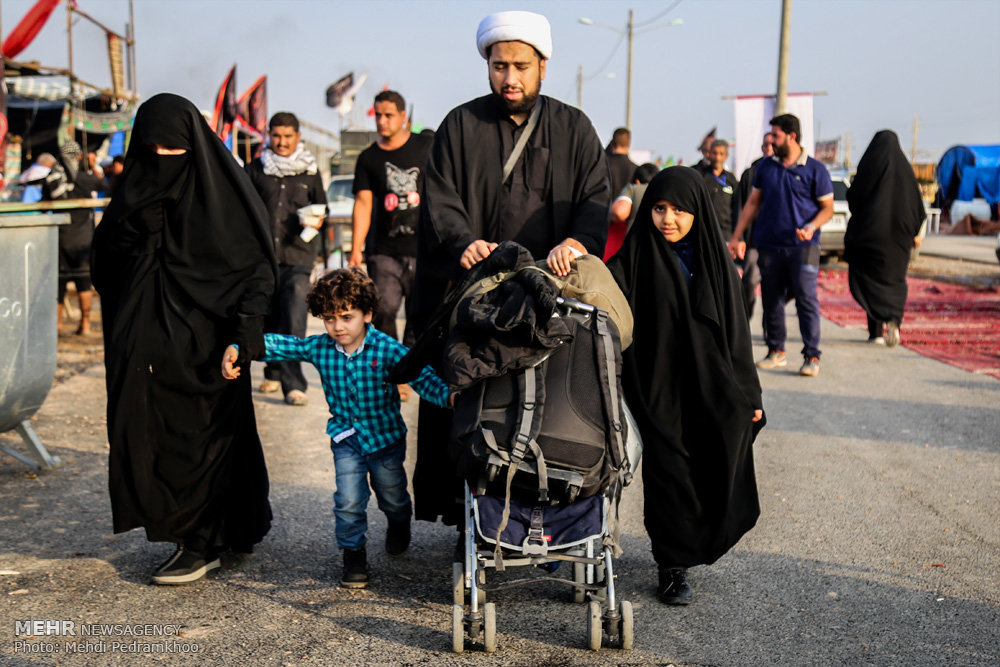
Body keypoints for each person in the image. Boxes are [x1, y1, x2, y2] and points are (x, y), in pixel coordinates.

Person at [410, 10, 611, 525]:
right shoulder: (461, 124)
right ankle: (470, 517)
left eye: (521, 65)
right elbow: (439, 195)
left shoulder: (575, 128)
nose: (510, 77)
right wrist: (462, 242)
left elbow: (594, 197)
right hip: (478, 295)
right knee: (470, 404)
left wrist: (577, 240)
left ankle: (555, 516)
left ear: (544, 64)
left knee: (555, 405)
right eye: (499, 66)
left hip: (549, 294)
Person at [91, 93, 276, 585]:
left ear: (193, 146)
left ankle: (204, 540)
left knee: (209, 440)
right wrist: (129, 233)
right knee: (154, 438)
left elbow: (255, 271)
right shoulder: (132, 198)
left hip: (209, 352)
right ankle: (186, 533)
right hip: (145, 354)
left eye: (171, 150)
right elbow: (102, 269)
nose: (160, 161)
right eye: (149, 149)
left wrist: (244, 336)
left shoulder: (223, 201)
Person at [221, 268, 451, 589]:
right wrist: (240, 347)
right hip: (346, 439)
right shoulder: (321, 348)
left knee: (392, 495)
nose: (338, 327)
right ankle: (353, 554)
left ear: (367, 314)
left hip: (385, 440)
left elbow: (422, 377)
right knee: (348, 500)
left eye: (346, 317)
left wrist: (451, 396)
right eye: (329, 318)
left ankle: (399, 521)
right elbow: (283, 345)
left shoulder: (388, 349)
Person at [607, 166, 764, 605]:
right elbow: (600, 290)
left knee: (711, 462)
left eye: (679, 210)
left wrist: (749, 394)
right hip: (656, 386)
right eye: (659, 208)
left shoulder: (714, 262)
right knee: (669, 470)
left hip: (711, 385)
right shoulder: (634, 257)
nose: (668, 219)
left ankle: (696, 542)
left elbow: (736, 336)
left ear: (697, 211)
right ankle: (671, 566)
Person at [728, 113, 833, 377]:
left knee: (806, 299)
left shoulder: (815, 169)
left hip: (803, 248)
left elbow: (827, 208)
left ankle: (811, 356)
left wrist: (811, 226)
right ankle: (777, 351)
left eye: (775, 135)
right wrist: (737, 236)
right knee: (772, 299)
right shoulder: (766, 167)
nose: (771, 140)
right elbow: (753, 202)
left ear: (791, 136)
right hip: (769, 246)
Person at [350, 90, 433, 400]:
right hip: (383, 250)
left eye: (389, 115)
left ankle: (412, 368)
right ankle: (396, 372)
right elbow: (363, 203)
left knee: (420, 313)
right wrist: (356, 248)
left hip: (423, 249)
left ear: (403, 117)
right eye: (378, 115)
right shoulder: (369, 158)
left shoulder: (426, 148)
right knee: (384, 309)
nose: (382, 121)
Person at [246, 112, 327, 406]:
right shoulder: (256, 169)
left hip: (298, 257)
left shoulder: (310, 170)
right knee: (266, 316)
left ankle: (294, 385)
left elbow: (323, 208)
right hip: (261, 258)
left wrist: (317, 222)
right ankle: (273, 369)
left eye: (287, 136)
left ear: (298, 136)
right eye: (276, 136)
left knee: (293, 319)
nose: (282, 142)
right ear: (269, 135)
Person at [845, 130, 926, 347]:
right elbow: (919, 210)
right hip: (899, 241)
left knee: (871, 281)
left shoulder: (870, 167)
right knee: (894, 282)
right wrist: (913, 233)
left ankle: (876, 333)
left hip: (870, 236)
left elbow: (854, 198)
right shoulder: (906, 174)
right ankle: (894, 321)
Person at [43, 141, 106, 335]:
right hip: (83, 239)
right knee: (83, 283)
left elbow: (44, 200)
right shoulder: (85, 179)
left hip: (60, 237)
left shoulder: (53, 179)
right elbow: (104, 184)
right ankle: (85, 324)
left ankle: (58, 325)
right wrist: (93, 165)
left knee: (59, 284)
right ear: (79, 157)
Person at [735, 133, 775, 320]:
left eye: (772, 144)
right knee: (749, 282)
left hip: (778, 242)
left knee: (775, 289)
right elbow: (740, 207)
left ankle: (772, 331)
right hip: (754, 241)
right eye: (765, 144)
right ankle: (745, 320)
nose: (768, 147)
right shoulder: (751, 173)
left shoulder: (785, 171)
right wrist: (739, 238)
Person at [604, 162, 659, 260]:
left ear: (637, 181)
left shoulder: (633, 188)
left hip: (635, 246)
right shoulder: (662, 190)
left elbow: (619, 213)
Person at [701, 139, 739, 240]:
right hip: (705, 233)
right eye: (715, 153)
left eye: (721, 154)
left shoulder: (731, 180)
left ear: (726, 155)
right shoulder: (701, 177)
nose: (718, 157)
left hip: (726, 235)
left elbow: (737, 208)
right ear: (709, 154)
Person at [606, 127, 638, 199]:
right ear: (629, 144)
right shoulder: (636, 169)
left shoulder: (602, 166)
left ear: (611, 143)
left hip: (603, 208)